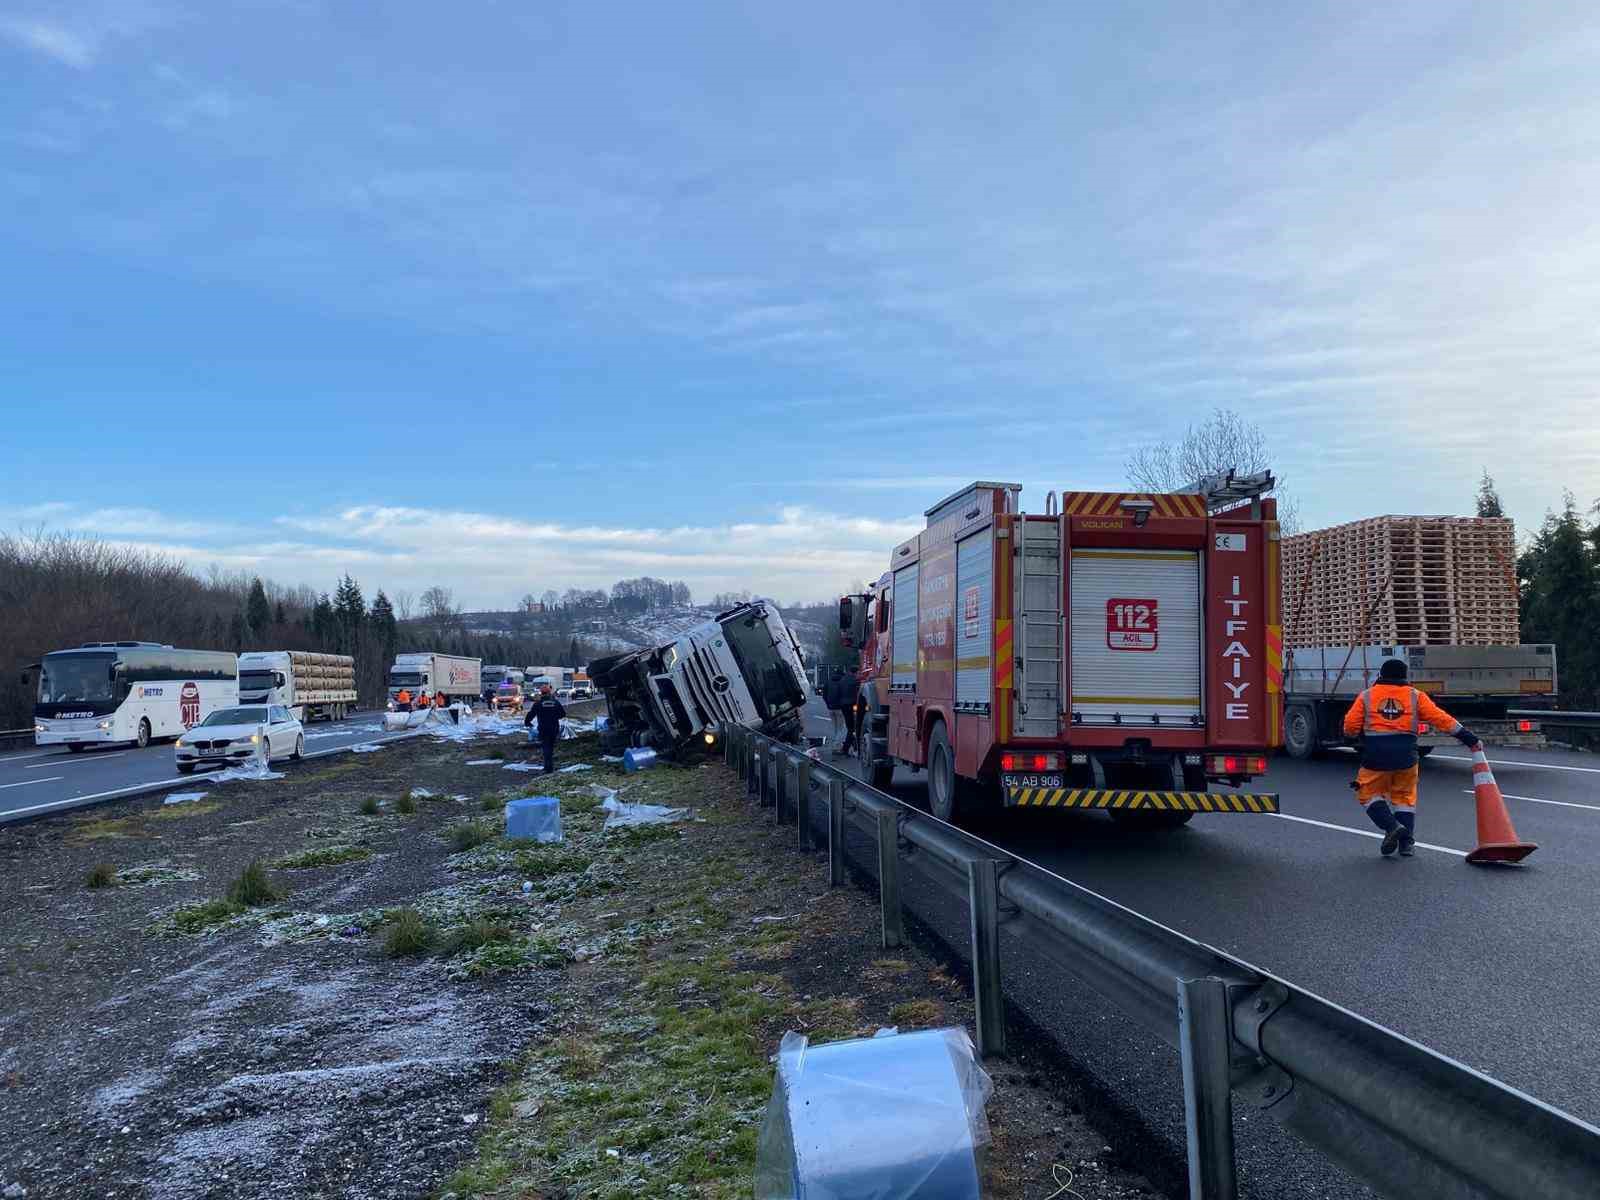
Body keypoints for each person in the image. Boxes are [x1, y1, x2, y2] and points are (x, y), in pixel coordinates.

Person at [1343, 658, 1480, 857]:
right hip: (1407, 757)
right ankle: (1406, 844)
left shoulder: (1367, 696)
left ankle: (1392, 827)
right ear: (1405, 676)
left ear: (1380, 675)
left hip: (1376, 756)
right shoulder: (1416, 696)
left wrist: (1351, 736)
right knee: (1404, 798)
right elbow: (1441, 718)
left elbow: (1350, 726)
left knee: (1367, 793)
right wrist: (1469, 738)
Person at [525, 684, 567, 773]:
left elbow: (531, 714)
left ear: (541, 693)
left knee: (546, 747)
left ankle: (548, 767)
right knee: (551, 747)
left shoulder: (538, 703)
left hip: (543, 728)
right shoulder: (555, 702)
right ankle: (549, 766)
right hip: (554, 728)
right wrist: (555, 716)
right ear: (549, 693)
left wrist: (527, 722)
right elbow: (563, 714)